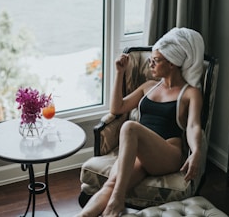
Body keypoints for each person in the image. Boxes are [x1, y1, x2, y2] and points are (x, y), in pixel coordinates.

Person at [76, 27, 205, 217]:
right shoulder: (149, 87)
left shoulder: (190, 93)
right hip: (137, 153)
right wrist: (119, 72)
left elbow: (194, 125)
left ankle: (118, 200)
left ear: (172, 63)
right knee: (110, 184)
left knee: (130, 127)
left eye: (156, 60)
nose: (150, 64)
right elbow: (117, 109)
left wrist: (196, 152)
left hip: (167, 154)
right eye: (151, 59)